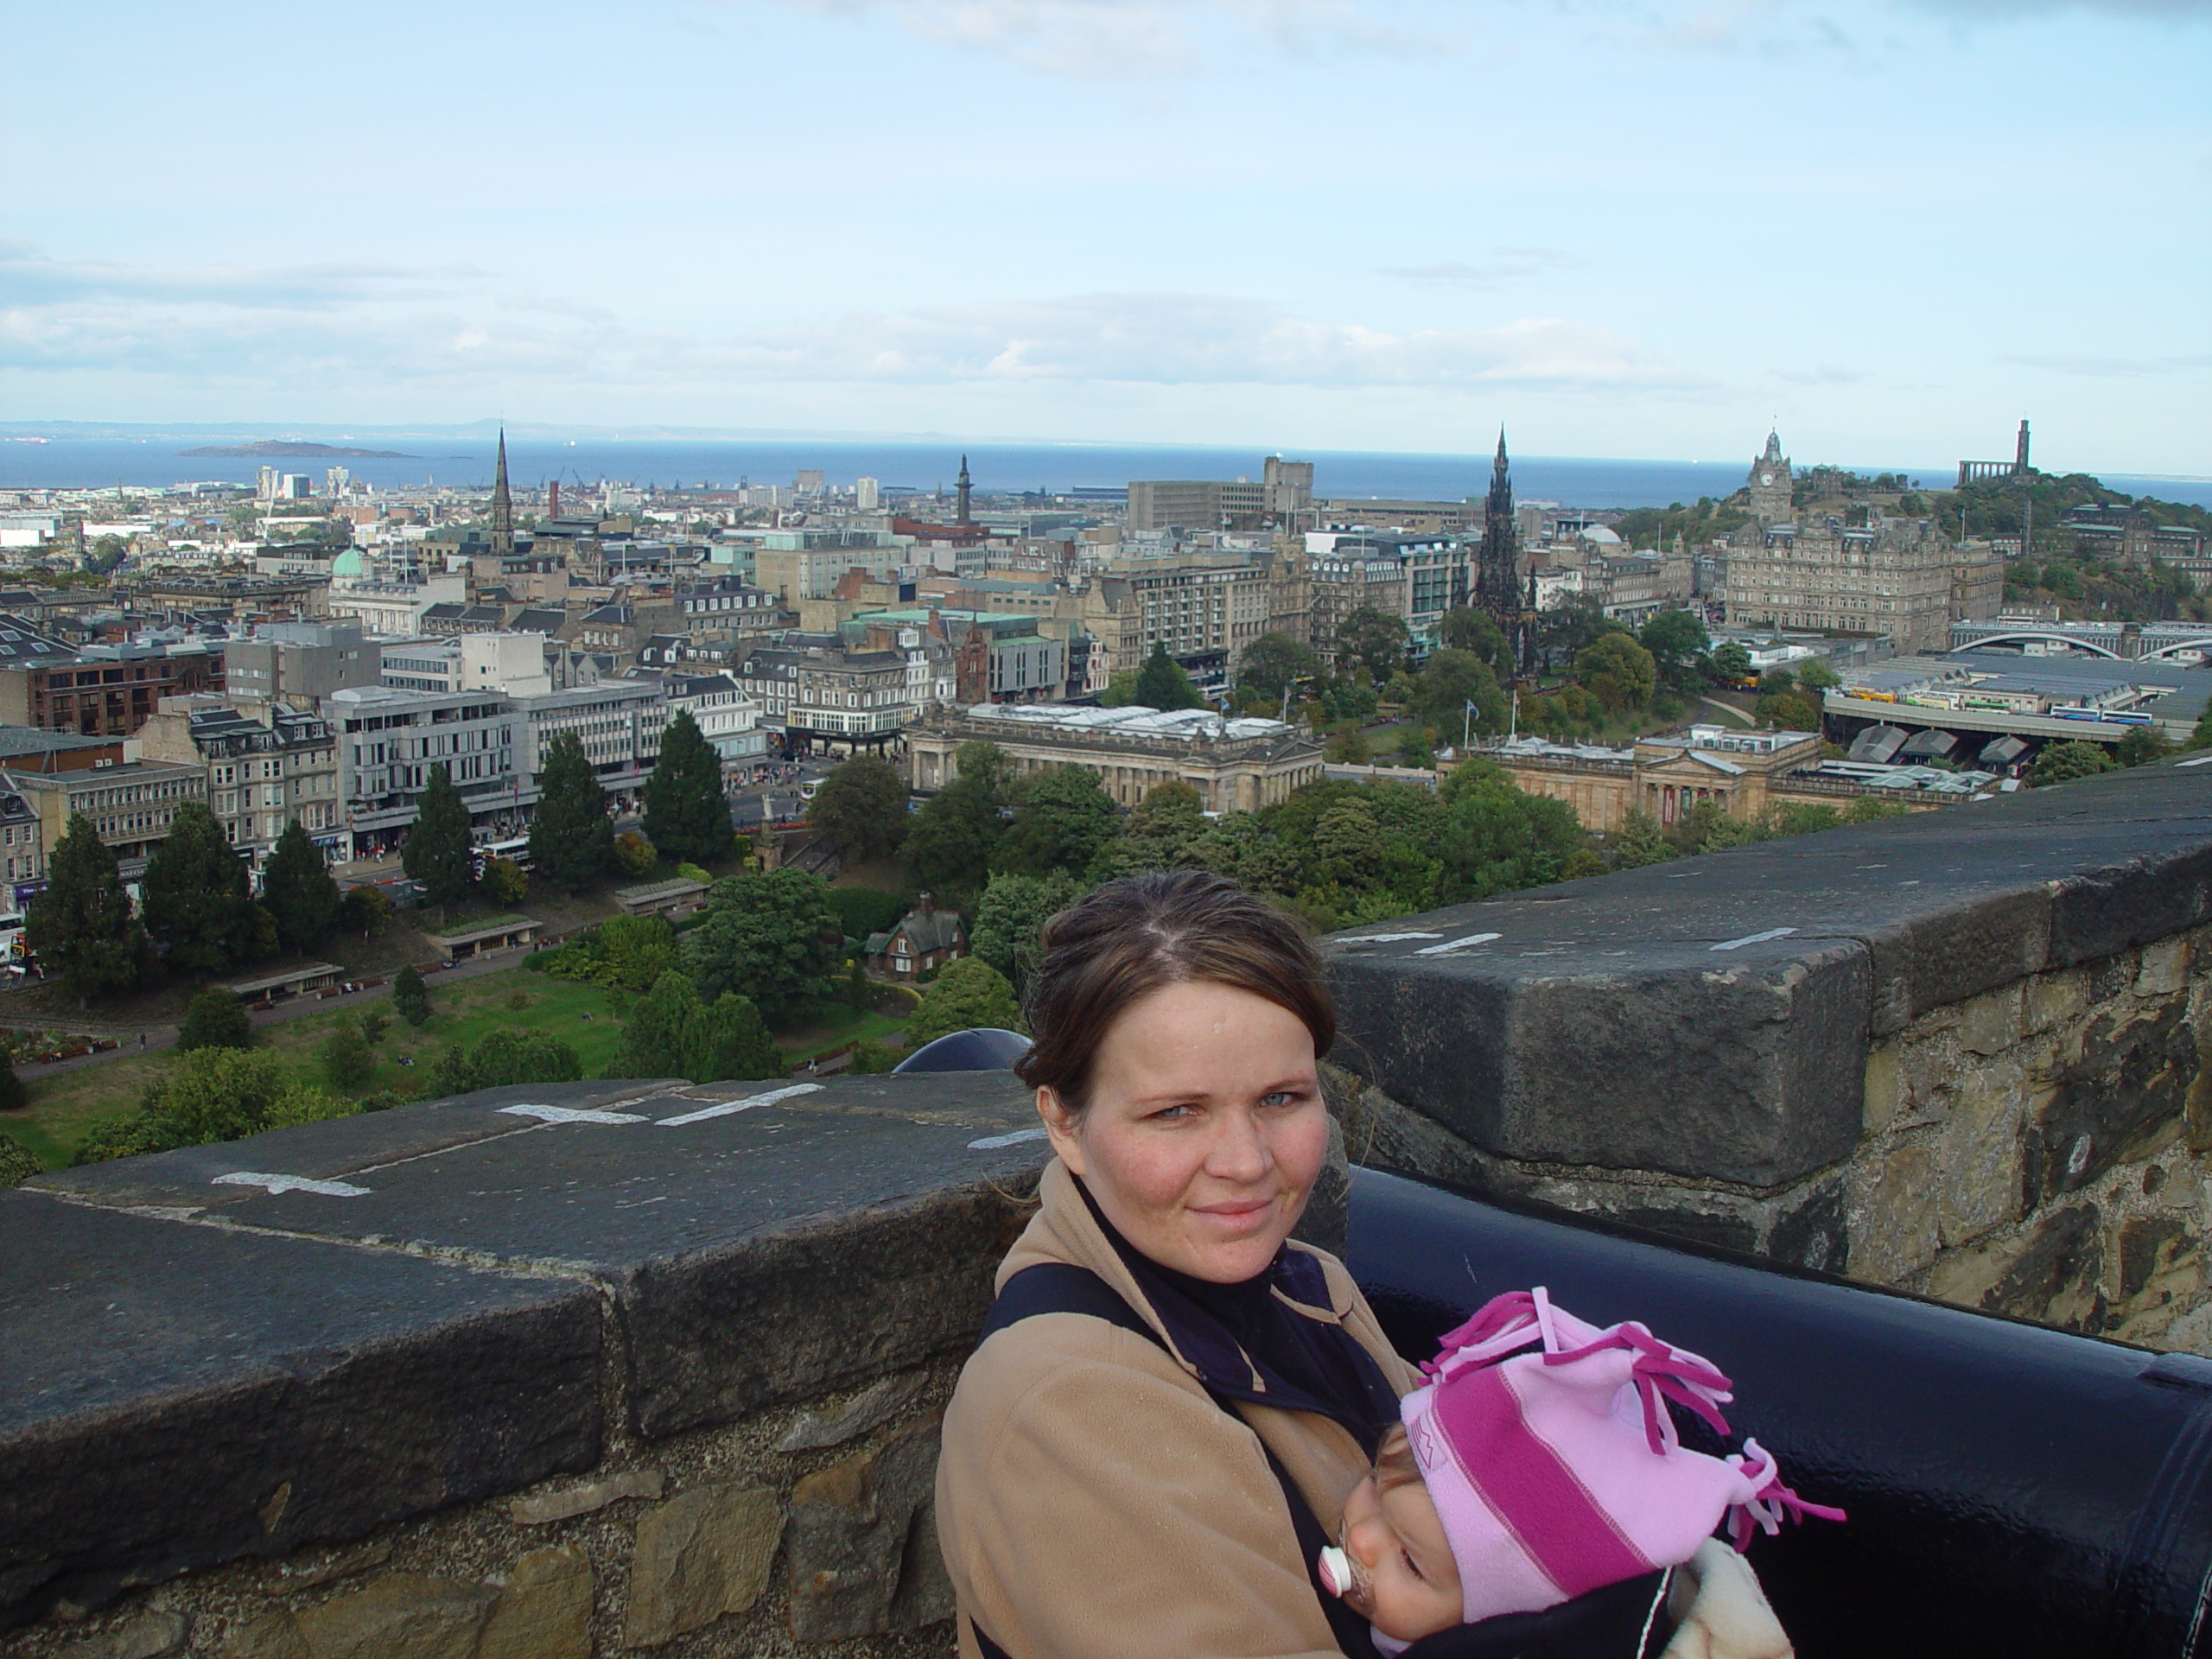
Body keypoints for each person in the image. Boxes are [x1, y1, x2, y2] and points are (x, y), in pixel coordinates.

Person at [934, 870, 1798, 1659]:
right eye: (1175, 1113)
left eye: (1281, 1098)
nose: (1244, 1161)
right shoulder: (1066, 1408)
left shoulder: (1313, 1288)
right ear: (1063, 1124)